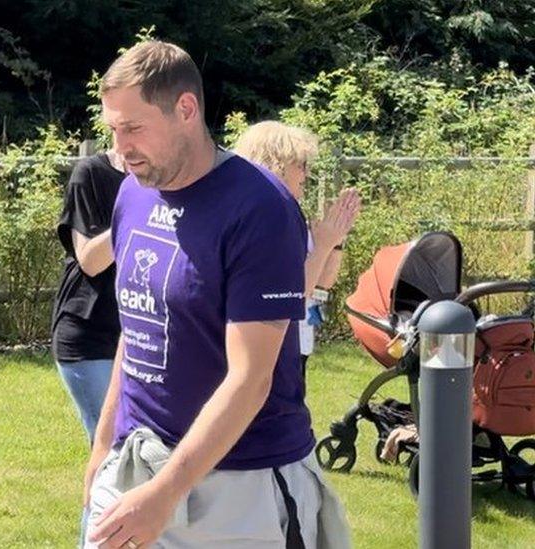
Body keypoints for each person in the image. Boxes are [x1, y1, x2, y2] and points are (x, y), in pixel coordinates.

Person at [82, 41, 350, 548]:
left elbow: (251, 379)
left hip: (240, 484)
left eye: (134, 127)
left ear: (186, 109)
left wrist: (166, 493)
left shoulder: (260, 208)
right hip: (136, 466)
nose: (121, 148)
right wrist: (102, 449)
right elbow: (137, 329)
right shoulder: (133, 193)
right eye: (113, 130)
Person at [234, 121, 360, 379]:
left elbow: (322, 284)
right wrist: (324, 244)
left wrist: (336, 239)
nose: (306, 174)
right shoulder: (261, 220)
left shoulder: (290, 216)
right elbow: (292, 295)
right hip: (269, 350)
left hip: (295, 347)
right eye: (300, 165)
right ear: (275, 163)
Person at [51, 149, 127, 443]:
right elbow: (91, 261)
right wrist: (134, 208)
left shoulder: (166, 177)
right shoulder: (90, 174)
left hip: (138, 334)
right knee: (111, 449)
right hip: (89, 333)